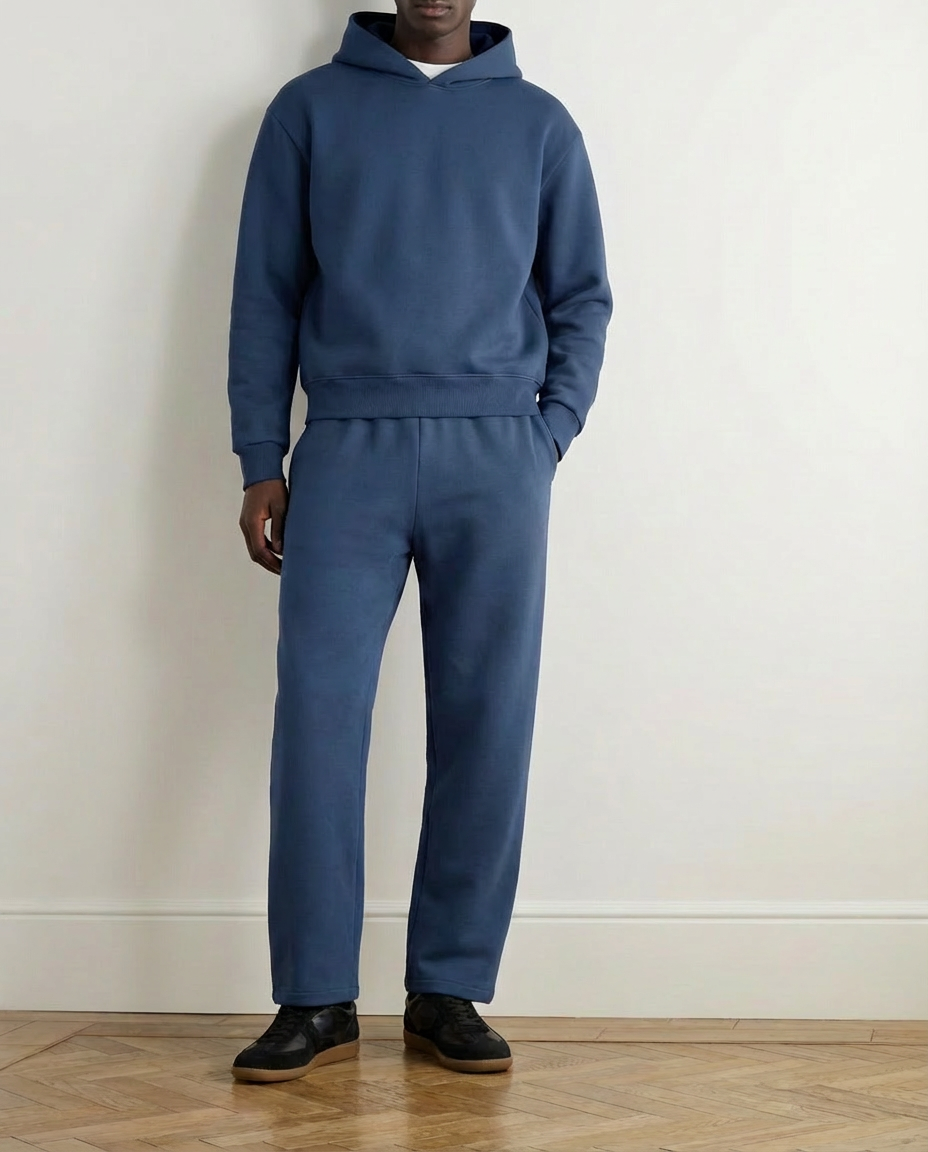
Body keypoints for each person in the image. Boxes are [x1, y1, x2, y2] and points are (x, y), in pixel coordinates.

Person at [227, 0, 612, 1083]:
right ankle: (314, 995)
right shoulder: (309, 111)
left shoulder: (539, 123)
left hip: (496, 453)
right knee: (317, 721)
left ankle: (448, 986)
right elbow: (264, 294)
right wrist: (261, 456)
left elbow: (581, 296)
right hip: (345, 447)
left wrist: (546, 434)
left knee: (487, 718)